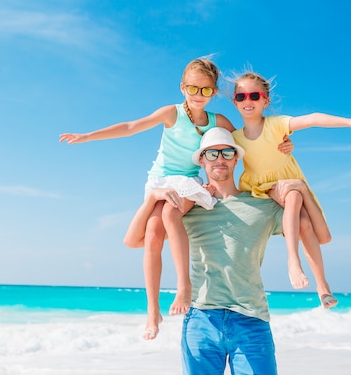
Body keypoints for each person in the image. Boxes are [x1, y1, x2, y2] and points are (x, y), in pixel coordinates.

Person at [124, 127, 315, 375]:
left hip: (251, 320)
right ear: (202, 160)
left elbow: (320, 235)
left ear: (237, 158)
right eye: (211, 153)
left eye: (227, 152)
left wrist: (302, 190)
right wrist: (153, 197)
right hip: (201, 319)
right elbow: (134, 241)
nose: (219, 159)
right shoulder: (191, 205)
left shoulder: (263, 205)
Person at [59, 58, 238, 340]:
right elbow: (132, 126)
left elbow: (245, 145)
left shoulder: (219, 122)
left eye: (205, 91)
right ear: (183, 87)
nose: (198, 96)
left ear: (214, 92)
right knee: (152, 235)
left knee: (170, 214)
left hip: (189, 180)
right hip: (159, 180)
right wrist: (89, 136)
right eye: (193, 89)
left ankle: (184, 286)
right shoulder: (172, 113)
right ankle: (153, 311)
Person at [229, 71, 351, 308]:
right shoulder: (235, 136)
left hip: (289, 179)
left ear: (265, 101)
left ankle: (322, 287)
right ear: (235, 101)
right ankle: (293, 260)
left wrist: (350, 122)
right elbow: (215, 150)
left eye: (254, 95)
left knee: (311, 228)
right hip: (261, 186)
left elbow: (312, 118)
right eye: (241, 96)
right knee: (292, 195)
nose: (247, 101)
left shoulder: (276, 124)